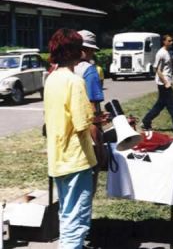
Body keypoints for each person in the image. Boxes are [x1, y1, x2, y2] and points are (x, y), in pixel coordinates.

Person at [44, 28, 97, 248]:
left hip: (58, 157)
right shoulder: (74, 81)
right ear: (74, 51)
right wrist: (96, 118)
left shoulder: (52, 78)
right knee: (77, 219)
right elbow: (82, 123)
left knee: (67, 214)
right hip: (76, 158)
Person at [75, 29, 107, 195]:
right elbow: (93, 112)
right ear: (87, 50)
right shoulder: (90, 71)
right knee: (87, 189)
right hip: (87, 136)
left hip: (66, 138)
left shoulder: (59, 70)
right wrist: (99, 146)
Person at [141, 34, 173, 134]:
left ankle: (146, 121)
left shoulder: (167, 52)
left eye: (172, 40)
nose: (171, 42)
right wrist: (166, 82)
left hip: (167, 82)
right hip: (163, 84)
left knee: (159, 105)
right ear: (164, 42)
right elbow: (157, 69)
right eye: (169, 41)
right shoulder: (161, 53)